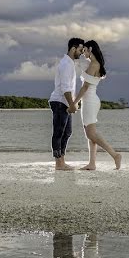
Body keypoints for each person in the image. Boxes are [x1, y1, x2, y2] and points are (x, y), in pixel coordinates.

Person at [73, 40, 122, 170]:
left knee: (91, 134)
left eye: (85, 51)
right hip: (89, 101)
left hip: (89, 101)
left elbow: (85, 87)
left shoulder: (94, 64)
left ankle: (115, 154)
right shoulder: (92, 63)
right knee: (90, 134)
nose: (83, 54)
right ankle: (92, 163)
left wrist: (74, 102)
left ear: (90, 49)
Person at [49, 37, 85, 171]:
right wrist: (72, 104)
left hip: (65, 102)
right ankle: (59, 163)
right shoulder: (65, 64)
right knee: (59, 132)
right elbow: (65, 87)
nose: (81, 53)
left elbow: (69, 87)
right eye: (80, 50)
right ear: (73, 48)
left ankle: (62, 160)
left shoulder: (70, 64)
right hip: (59, 101)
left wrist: (73, 103)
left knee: (67, 132)